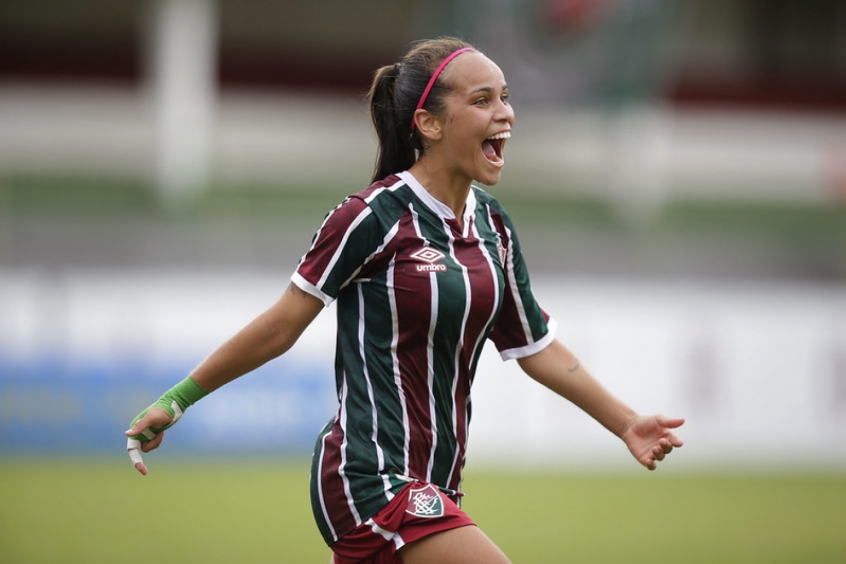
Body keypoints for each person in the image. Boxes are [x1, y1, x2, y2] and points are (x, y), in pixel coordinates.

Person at [125, 36, 684, 564]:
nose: (506, 114)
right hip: (370, 476)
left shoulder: (494, 227)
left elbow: (535, 346)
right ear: (429, 123)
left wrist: (627, 422)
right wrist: (177, 400)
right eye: (483, 99)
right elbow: (280, 327)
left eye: (507, 98)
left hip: (440, 485)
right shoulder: (373, 216)